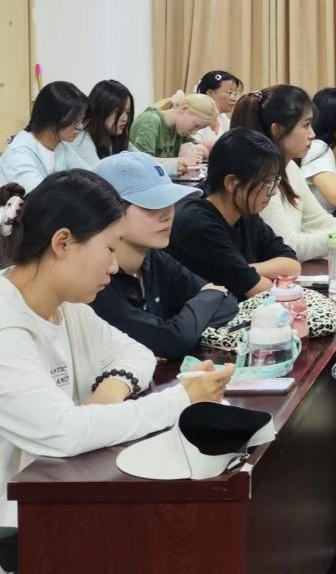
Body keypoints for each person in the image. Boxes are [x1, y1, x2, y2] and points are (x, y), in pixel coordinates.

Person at [0, 170, 232, 527]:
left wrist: (109, 392)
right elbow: (64, 432)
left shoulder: (68, 306)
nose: (113, 267)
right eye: (109, 249)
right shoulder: (7, 322)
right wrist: (181, 400)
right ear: (63, 243)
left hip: (55, 504)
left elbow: (137, 353)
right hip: (17, 526)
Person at [91, 152, 239, 359]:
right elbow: (173, 341)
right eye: (152, 204)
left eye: (170, 202)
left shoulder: (153, 258)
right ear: (110, 212)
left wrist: (180, 326)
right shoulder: (96, 282)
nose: (167, 214)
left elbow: (227, 303)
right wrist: (202, 304)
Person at [232, 86, 336, 259]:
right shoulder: (261, 180)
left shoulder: (290, 168)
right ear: (277, 130)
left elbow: (321, 223)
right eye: (306, 125)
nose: (312, 134)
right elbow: (290, 248)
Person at [167, 129, 301, 299]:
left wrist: (243, 270)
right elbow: (261, 290)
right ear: (232, 183)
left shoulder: (245, 213)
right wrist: (244, 274)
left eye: (274, 182)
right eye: (266, 183)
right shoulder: (198, 223)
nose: (273, 192)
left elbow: (292, 265)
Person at [0, 81, 91, 192]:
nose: (80, 127)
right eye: (75, 121)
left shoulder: (61, 147)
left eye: (82, 120)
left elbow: (91, 177)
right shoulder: (19, 155)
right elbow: (40, 197)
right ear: (53, 118)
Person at [129, 91, 216, 178]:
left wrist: (195, 149)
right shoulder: (150, 121)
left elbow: (203, 149)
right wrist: (182, 160)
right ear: (184, 109)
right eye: (196, 125)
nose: (194, 132)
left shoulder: (180, 130)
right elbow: (143, 162)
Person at [71, 79, 135, 167]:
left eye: (127, 112)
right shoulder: (82, 141)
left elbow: (141, 159)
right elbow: (97, 173)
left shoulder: (116, 135)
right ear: (101, 111)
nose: (125, 119)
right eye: (118, 112)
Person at [194, 70, 243, 150]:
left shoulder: (224, 119)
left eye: (235, 93)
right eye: (229, 92)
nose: (234, 99)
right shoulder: (194, 118)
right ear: (210, 93)